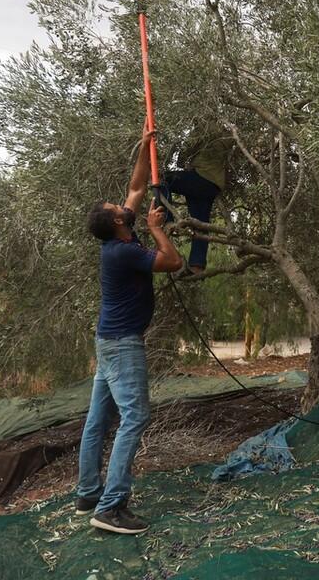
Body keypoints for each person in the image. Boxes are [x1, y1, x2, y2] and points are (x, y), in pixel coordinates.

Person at [76, 124, 183, 535]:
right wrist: (158, 229)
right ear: (117, 222)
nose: (122, 204)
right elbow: (172, 263)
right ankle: (110, 507)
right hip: (122, 345)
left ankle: (88, 492)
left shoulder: (118, 236)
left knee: (97, 420)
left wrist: (145, 144)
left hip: (108, 342)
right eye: (116, 207)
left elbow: (137, 186)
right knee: (135, 417)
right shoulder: (123, 252)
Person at [163, 125, 233, 276]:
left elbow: (182, 158)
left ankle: (167, 220)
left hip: (201, 178)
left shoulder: (202, 128)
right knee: (200, 223)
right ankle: (197, 265)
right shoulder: (227, 134)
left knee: (163, 180)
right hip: (213, 186)